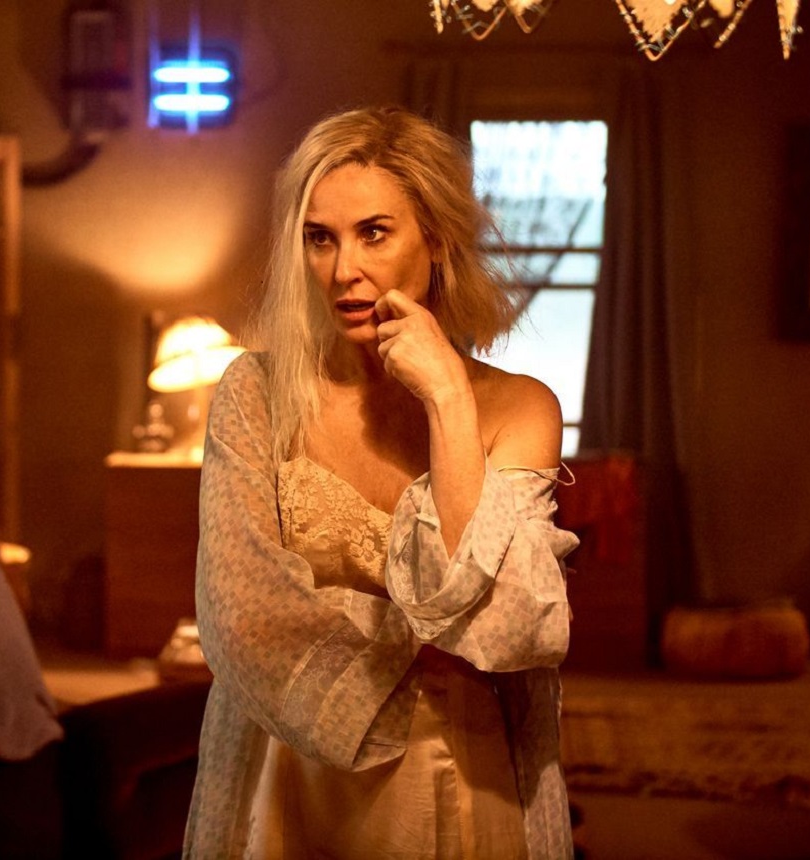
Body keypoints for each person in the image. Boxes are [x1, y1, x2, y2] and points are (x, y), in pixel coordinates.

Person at [184, 105, 578, 859]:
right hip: (287, 770)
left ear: (436, 239)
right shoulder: (255, 393)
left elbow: (512, 629)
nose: (343, 271)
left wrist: (448, 398)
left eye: (373, 233)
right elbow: (239, 619)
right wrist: (422, 643)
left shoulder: (520, 407)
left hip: (454, 768)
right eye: (320, 238)